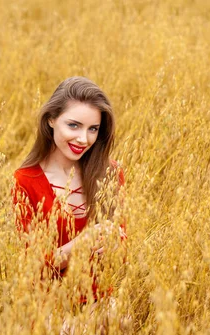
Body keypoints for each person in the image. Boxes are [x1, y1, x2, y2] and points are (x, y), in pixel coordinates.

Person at [12, 76, 126, 302]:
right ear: (51, 120)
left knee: (121, 322)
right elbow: (30, 266)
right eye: (73, 125)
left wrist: (116, 243)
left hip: (99, 298)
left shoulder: (110, 172)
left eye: (93, 129)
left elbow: (122, 245)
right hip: (47, 302)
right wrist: (81, 244)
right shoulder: (25, 181)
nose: (83, 139)